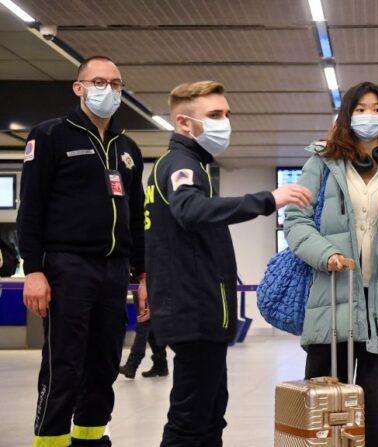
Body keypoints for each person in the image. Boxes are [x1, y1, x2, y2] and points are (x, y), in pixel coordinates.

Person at [145, 80, 312, 446]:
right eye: (215, 115)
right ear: (184, 123)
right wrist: (267, 199)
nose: (225, 122)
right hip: (192, 312)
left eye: (226, 114)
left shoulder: (197, 166)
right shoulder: (180, 164)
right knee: (190, 419)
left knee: (210, 413)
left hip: (205, 312)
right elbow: (189, 210)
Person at [284, 81, 378, 447]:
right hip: (332, 300)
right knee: (323, 412)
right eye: (361, 109)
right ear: (347, 116)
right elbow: (296, 221)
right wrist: (325, 254)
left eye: (377, 109)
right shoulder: (321, 163)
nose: (369, 116)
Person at [18, 55, 147, 447]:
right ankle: (51, 440)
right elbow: (32, 208)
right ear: (79, 88)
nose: (108, 90)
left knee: (104, 364)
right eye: (99, 82)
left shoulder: (127, 148)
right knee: (65, 366)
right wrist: (34, 270)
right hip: (67, 267)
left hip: (114, 270)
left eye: (115, 83)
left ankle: (91, 439)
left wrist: (143, 275)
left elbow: (136, 215)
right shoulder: (50, 135)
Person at [118, 280, 168, 379]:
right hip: (141, 280)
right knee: (149, 323)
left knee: (143, 322)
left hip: (144, 281)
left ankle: (132, 364)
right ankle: (161, 364)